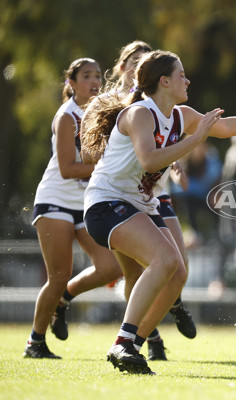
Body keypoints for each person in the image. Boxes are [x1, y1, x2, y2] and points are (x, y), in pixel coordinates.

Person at [82, 49, 236, 374]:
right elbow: (150, 161)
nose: (187, 79)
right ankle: (124, 343)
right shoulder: (140, 114)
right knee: (167, 260)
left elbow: (223, 127)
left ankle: (132, 344)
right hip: (105, 205)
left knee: (177, 272)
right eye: (181, 74)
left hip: (133, 205)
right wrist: (196, 138)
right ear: (164, 81)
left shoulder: (178, 115)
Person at [51, 41, 197, 362]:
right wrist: (153, 150)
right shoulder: (126, 107)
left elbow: (216, 128)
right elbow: (92, 157)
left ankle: (135, 339)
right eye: (134, 61)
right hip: (107, 197)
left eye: (144, 60)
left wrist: (169, 157)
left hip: (145, 196)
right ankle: (56, 324)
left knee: (171, 269)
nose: (139, 65)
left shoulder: (166, 109)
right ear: (123, 68)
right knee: (159, 264)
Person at [23, 58, 110, 359]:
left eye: (98, 75)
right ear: (71, 83)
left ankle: (63, 301)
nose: (94, 81)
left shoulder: (103, 112)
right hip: (55, 200)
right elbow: (66, 168)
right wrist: (105, 163)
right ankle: (35, 342)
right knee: (58, 275)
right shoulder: (67, 116)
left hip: (84, 204)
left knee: (110, 266)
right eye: (87, 76)